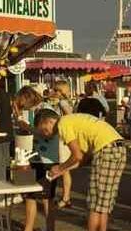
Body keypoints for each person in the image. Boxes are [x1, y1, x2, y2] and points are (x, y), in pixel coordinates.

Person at [37, 111, 127, 231]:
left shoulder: (62, 123)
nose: (46, 134)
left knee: (94, 205)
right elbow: (84, 159)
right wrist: (63, 170)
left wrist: (60, 167)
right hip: (118, 149)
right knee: (103, 204)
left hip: (105, 151)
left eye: (44, 130)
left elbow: (77, 155)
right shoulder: (75, 121)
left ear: (49, 121)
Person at [50, 81, 76, 209]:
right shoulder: (67, 101)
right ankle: (65, 197)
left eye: (56, 90)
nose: (53, 92)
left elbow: (69, 116)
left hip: (63, 138)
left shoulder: (62, 102)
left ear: (61, 91)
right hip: (64, 138)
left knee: (64, 169)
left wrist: (60, 122)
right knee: (64, 169)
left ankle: (66, 198)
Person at [0, 81, 15, 181]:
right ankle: (6, 193)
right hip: (7, 133)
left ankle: (0, 195)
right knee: (5, 165)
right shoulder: (6, 95)